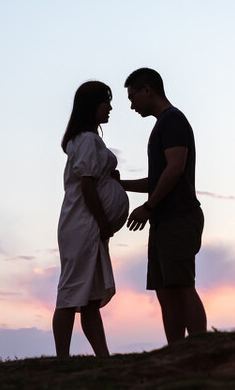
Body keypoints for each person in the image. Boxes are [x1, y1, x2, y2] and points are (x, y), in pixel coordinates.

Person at [121, 68, 207, 344]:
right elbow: (158, 178)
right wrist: (120, 184)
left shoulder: (172, 120)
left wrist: (148, 207)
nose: (131, 104)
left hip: (179, 217)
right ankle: (176, 351)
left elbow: (175, 168)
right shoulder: (163, 124)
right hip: (164, 219)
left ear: (147, 89)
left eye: (132, 96)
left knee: (181, 286)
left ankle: (199, 348)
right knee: (164, 288)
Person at [55, 81, 129, 358]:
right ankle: (62, 357)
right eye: (105, 102)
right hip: (84, 225)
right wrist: (104, 224)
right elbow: (87, 186)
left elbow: (94, 179)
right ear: (92, 106)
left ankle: (103, 357)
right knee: (71, 292)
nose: (110, 108)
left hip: (87, 227)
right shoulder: (87, 139)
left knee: (89, 299)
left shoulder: (86, 140)